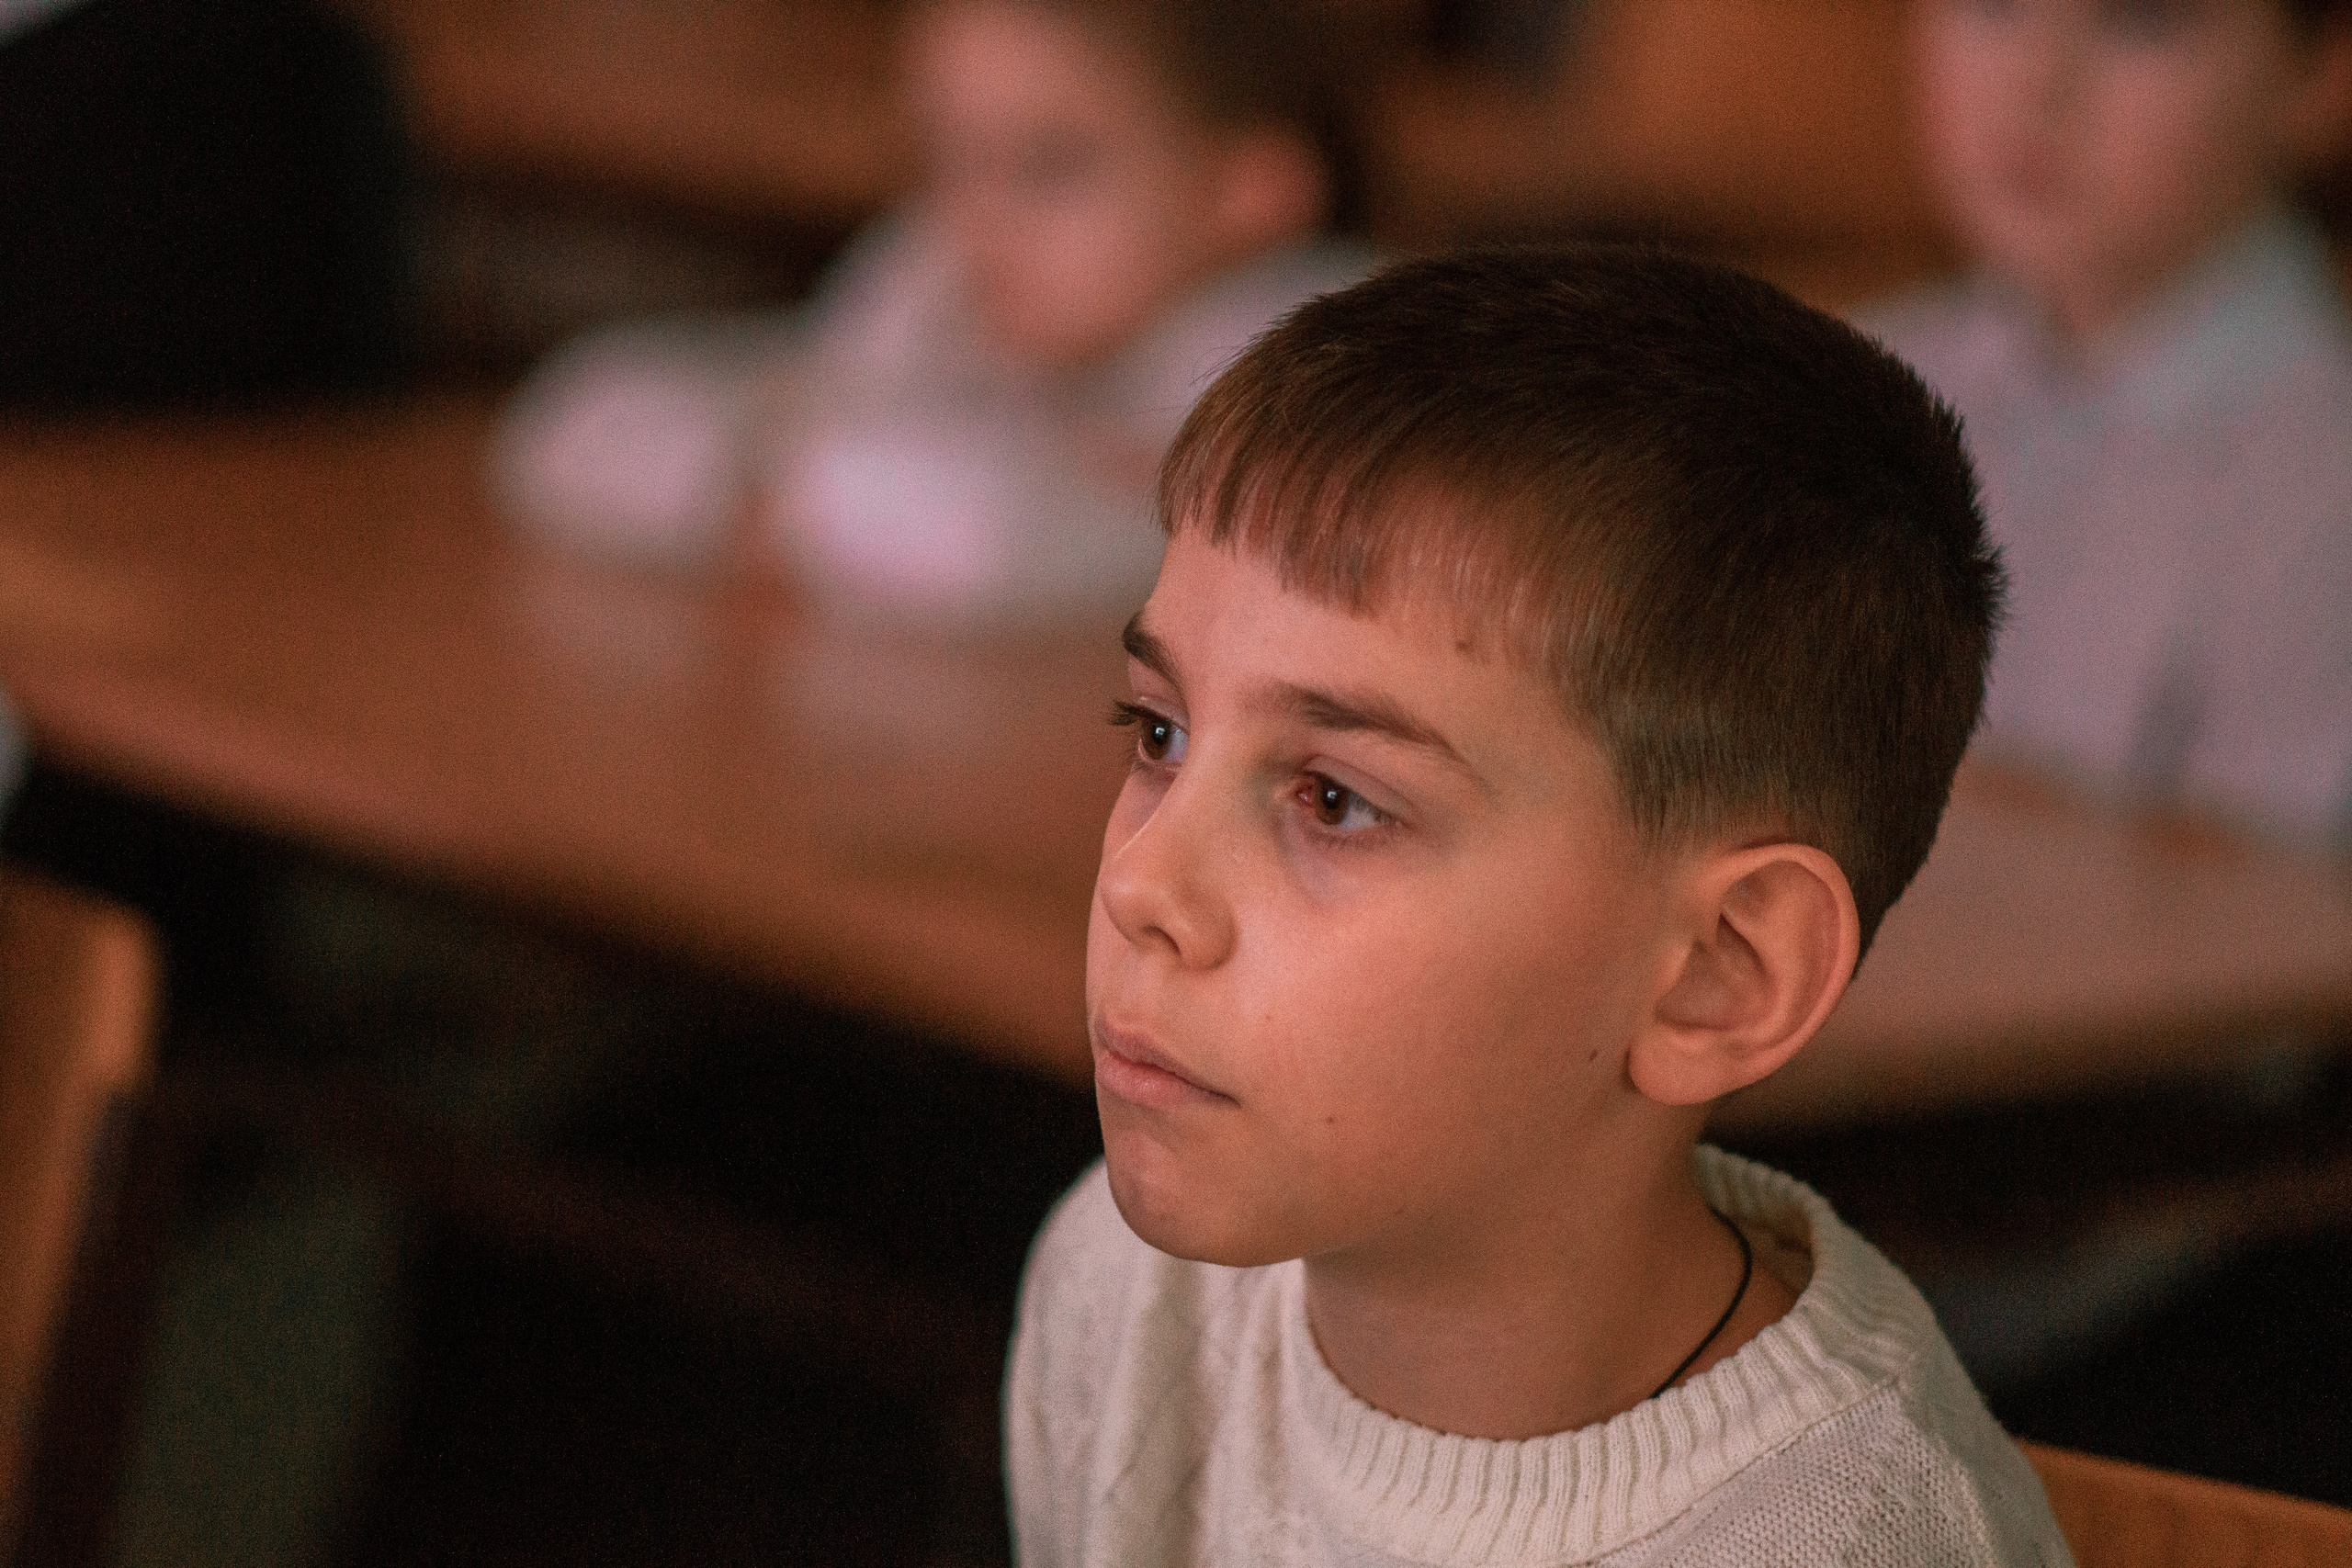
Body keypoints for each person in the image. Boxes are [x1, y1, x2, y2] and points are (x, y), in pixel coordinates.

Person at [1004, 249, 2071, 1567]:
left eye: (1335, 799)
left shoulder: (1844, 1541)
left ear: (1718, 973)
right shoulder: (1120, 1288)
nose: (1140, 881)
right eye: (1158, 729)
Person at [497, 0, 1372, 620]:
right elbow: (573, 416)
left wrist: (772, 492)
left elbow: (1006, 551)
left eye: (1049, 165)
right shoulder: (940, 288)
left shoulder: (1326, 383)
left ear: (1251, 189)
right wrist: (786, 499)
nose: (974, 225)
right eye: (947, 159)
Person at [1860, 0, 2352, 839]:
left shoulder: (2322, 479)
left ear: (2320, 74)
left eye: (2143, 20)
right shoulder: (1859, 387)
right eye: (1992, 5)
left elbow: (2255, 923)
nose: (2035, 85)